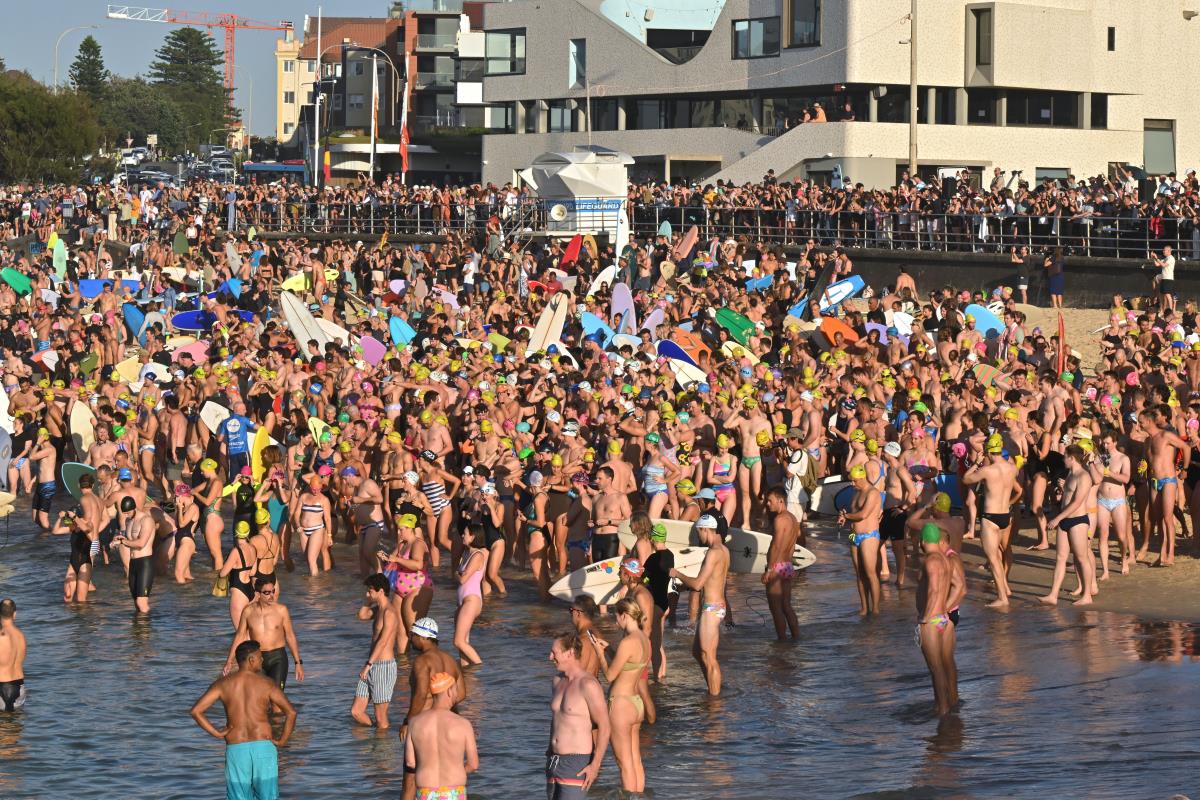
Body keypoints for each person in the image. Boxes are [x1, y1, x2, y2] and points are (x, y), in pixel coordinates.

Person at [191, 639, 297, 800]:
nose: (263, 660)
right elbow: (291, 713)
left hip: (237, 748)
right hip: (263, 746)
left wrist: (217, 733)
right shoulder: (266, 683)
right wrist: (282, 740)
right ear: (251, 660)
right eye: (260, 657)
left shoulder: (222, 684)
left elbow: (196, 711)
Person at [588, 597, 650, 794]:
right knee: (635, 761)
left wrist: (598, 653)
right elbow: (627, 665)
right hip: (636, 703)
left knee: (624, 763)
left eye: (617, 616)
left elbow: (610, 675)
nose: (616, 621)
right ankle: (639, 797)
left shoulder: (627, 641)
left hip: (621, 704)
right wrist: (609, 650)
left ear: (624, 615)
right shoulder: (643, 639)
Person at [547, 632, 611, 800]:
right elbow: (557, 720)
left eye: (554, 652)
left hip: (576, 763)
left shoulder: (588, 684)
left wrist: (595, 765)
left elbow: (605, 726)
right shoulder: (557, 681)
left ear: (570, 653)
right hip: (553, 761)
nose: (550, 657)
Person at [670, 514, 729, 696]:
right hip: (716, 606)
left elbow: (697, 585)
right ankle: (713, 688)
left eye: (699, 533)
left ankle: (715, 699)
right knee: (698, 652)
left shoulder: (713, 552)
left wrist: (677, 574)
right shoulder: (724, 550)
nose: (699, 537)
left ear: (705, 529)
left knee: (709, 657)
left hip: (712, 608)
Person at [960, 433, 1018, 608]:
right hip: (1005, 516)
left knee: (993, 559)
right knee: (1000, 554)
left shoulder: (987, 471)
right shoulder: (1012, 468)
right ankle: (1005, 588)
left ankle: (1002, 597)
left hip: (990, 518)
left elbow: (966, 479)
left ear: (988, 452)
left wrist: (977, 462)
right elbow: (1017, 490)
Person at [404, 672, 478, 800]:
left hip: (425, 793)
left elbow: (410, 762)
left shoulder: (414, 723)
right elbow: (473, 764)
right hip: (454, 792)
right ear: (449, 691)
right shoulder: (463, 724)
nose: (456, 693)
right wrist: (455, 771)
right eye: (455, 689)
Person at [1040, 445, 1099, 605]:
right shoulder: (1070, 474)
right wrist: (1061, 488)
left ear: (1072, 458)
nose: (1063, 459)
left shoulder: (1083, 476)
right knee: (1060, 558)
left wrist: (1057, 518)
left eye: (1065, 456)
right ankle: (1053, 595)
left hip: (1077, 521)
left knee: (1081, 558)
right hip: (1065, 519)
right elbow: (1066, 499)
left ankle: (1087, 596)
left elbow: (1077, 502)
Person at [225, 575, 304, 691]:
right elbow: (240, 636)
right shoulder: (248, 611)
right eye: (267, 593)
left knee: (276, 699)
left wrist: (298, 663)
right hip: (257, 659)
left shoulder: (281, 610)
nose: (271, 595)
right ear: (257, 594)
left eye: (273, 591)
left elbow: (290, 636)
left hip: (278, 658)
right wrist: (229, 661)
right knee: (258, 699)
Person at [915, 524, 956, 717]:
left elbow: (933, 590)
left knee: (936, 668)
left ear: (923, 541)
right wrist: (943, 609)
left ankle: (943, 709)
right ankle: (947, 704)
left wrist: (925, 617)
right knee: (944, 665)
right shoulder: (946, 559)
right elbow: (956, 587)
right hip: (944, 620)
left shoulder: (930, 560)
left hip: (931, 621)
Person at [352, 573, 400, 729]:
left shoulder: (389, 613)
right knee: (356, 711)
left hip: (383, 667)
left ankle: (382, 751)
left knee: (380, 717)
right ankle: (376, 737)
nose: (367, 593)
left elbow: (383, 642)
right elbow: (362, 615)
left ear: (380, 591)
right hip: (371, 666)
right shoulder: (378, 610)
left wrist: (368, 664)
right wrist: (368, 599)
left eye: (370, 590)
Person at [839, 464, 883, 616]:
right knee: (859, 574)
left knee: (871, 573)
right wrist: (844, 515)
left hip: (869, 536)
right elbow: (853, 512)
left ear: (862, 477)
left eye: (855, 481)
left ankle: (875, 608)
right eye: (851, 481)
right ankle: (864, 608)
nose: (852, 484)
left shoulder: (872, 493)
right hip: (854, 535)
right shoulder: (856, 492)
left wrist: (847, 516)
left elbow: (863, 515)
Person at [762, 485, 801, 640]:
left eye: (770, 501)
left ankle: (782, 641)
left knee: (776, 608)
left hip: (776, 568)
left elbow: (777, 545)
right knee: (786, 606)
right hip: (787, 566)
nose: (767, 504)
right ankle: (796, 638)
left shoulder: (780, 519)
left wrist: (770, 569)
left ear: (780, 500)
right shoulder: (793, 519)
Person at [111, 495, 156, 613]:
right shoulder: (129, 521)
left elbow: (141, 543)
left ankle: (147, 630)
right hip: (133, 563)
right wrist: (121, 539)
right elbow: (130, 540)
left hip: (145, 563)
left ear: (134, 508)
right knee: (136, 602)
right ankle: (137, 631)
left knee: (142, 603)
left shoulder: (146, 520)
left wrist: (123, 541)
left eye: (128, 512)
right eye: (124, 513)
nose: (126, 515)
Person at [453, 525, 486, 667]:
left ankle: (479, 667)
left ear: (473, 536)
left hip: (471, 601)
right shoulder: (466, 553)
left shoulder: (478, 555)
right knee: (462, 644)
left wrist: (456, 573)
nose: (462, 536)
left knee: (458, 641)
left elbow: (462, 579)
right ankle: (467, 675)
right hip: (462, 602)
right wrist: (457, 573)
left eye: (465, 533)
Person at [0, 599, 26, 713]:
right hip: (20, 689)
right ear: (14, 614)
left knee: (4, 729)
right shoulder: (21, 636)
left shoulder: (1, 635)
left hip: (2, 688)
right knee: (15, 728)